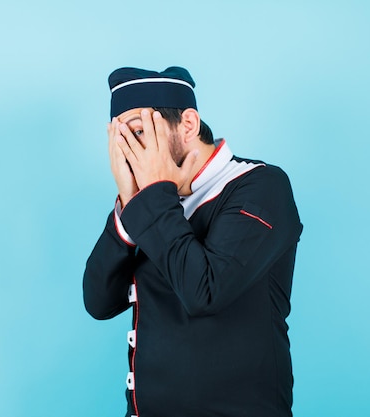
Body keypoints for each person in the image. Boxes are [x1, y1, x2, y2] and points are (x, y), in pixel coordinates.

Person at [82, 66, 303, 417]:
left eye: (139, 133)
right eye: (121, 140)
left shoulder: (260, 186)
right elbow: (98, 302)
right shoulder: (146, 204)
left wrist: (152, 196)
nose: (130, 152)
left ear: (188, 125)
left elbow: (204, 291)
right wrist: (127, 207)